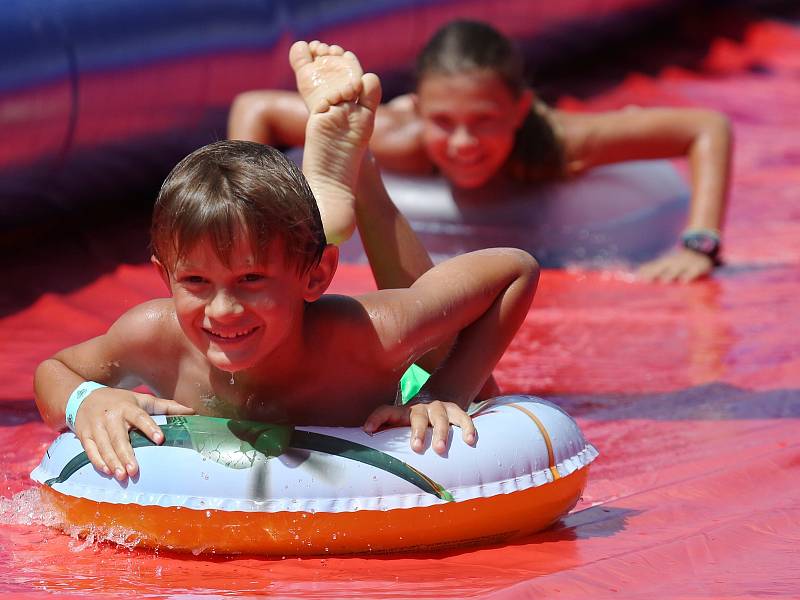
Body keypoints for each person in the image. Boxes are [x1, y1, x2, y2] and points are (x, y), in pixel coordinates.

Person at [33, 40, 539, 482]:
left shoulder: (367, 336)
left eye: (250, 280)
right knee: (257, 228)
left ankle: (356, 174)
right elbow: (54, 369)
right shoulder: (153, 334)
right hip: (291, 255)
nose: (223, 309)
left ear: (318, 277)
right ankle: (321, 202)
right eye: (195, 281)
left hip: (396, 378)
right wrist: (86, 402)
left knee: (442, 352)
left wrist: (443, 392)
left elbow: (514, 268)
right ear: (164, 277)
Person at [228, 20, 732, 283]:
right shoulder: (398, 140)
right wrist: (239, 221)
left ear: (520, 110)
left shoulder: (557, 143)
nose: (464, 143)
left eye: (484, 122)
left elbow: (706, 126)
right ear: (422, 112)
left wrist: (699, 244)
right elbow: (257, 107)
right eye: (444, 123)